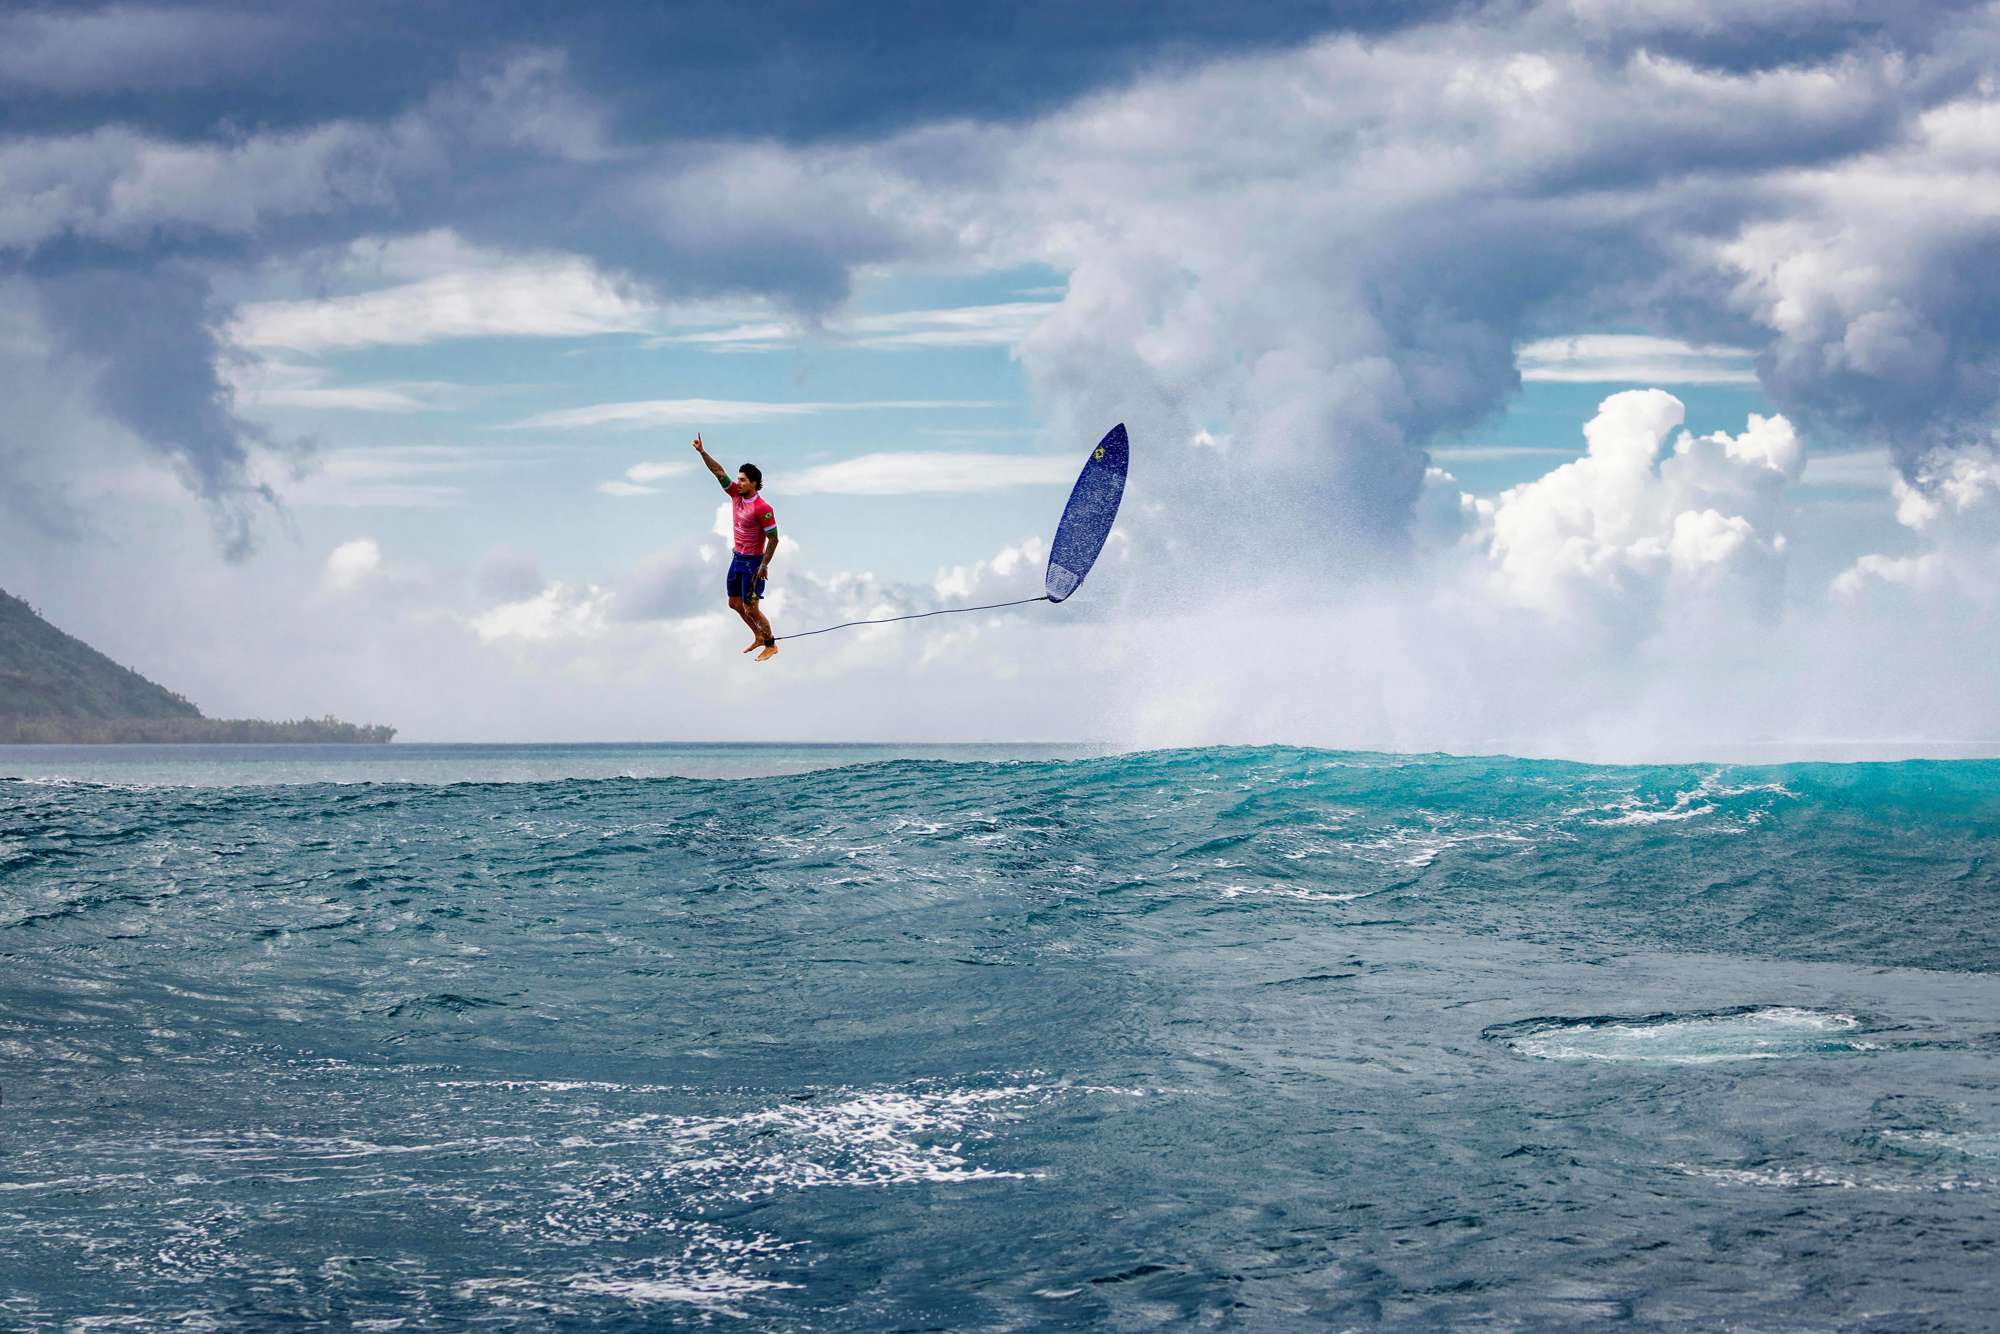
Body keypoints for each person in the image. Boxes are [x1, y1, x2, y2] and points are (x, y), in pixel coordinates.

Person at [692, 433, 780, 660]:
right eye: (738, 479)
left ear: (753, 483)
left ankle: (771, 644)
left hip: (753, 563)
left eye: (742, 480)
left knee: (752, 607)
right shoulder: (735, 494)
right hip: (737, 558)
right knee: (734, 603)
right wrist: (703, 452)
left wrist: (764, 565)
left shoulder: (763, 508)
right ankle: (758, 636)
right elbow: (718, 472)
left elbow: (774, 539)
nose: (738, 482)